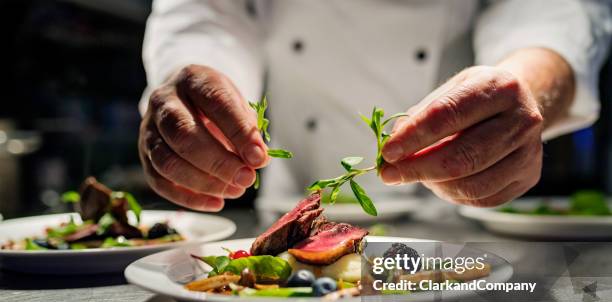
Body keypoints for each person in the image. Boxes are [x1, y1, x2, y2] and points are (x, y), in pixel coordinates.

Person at [138, 0, 611, 212]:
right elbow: (202, 12)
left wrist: (526, 81)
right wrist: (195, 93)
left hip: (445, 228)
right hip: (290, 205)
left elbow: (555, 10)